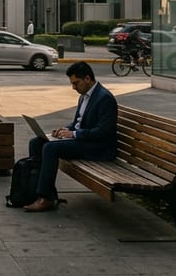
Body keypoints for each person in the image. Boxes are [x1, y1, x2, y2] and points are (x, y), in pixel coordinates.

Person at [23, 61, 118, 212]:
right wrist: (64, 130)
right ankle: (39, 192)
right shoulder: (84, 95)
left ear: (87, 79)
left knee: (50, 148)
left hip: (98, 147)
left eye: (76, 83)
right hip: (84, 140)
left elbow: (103, 132)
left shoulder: (104, 98)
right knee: (37, 142)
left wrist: (73, 134)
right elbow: (78, 123)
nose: (73, 87)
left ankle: (46, 198)